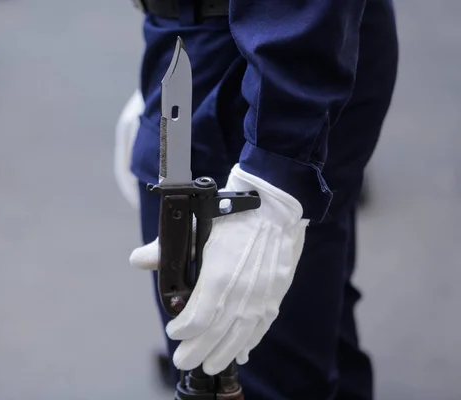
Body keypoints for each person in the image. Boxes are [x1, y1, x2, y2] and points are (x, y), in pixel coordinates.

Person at [114, 0, 399, 398]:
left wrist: (274, 171)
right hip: (263, 43)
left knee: (254, 368)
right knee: (309, 327)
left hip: (261, 62)